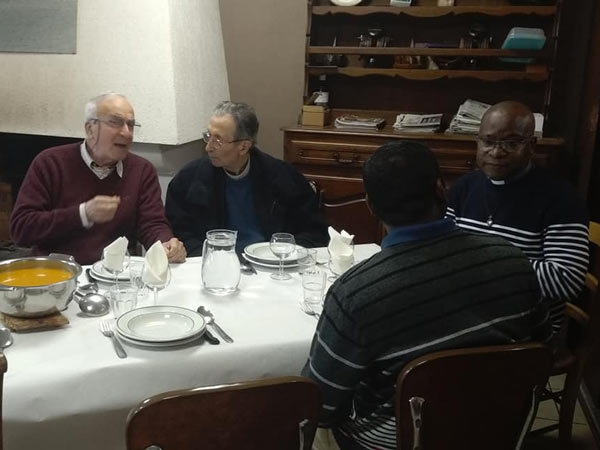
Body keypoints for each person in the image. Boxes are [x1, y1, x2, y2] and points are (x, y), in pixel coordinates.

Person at [302, 141, 551, 450]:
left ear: (370, 205)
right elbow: (543, 348)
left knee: (311, 428)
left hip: (397, 440)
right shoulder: (512, 260)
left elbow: (321, 404)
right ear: (441, 189)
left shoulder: (354, 293)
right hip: (498, 430)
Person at [447, 101, 589, 335]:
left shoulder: (561, 198)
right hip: (468, 314)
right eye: (488, 142)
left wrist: (478, 266)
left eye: (511, 143)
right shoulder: (464, 188)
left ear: (531, 146)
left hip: (526, 327)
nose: (496, 152)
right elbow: (444, 253)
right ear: (478, 142)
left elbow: (565, 281)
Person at [10, 93, 186, 265]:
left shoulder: (142, 170)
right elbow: (21, 229)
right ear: (90, 129)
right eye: (115, 122)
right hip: (58, 273)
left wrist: (165, 243)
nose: (126, 132)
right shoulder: (50, 163)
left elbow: (151, 223)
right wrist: (83, 214)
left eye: (131, 125)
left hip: (118, 273)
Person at [165, 101, 328, 255]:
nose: (208, 147)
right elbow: (179, 234)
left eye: (218, 140)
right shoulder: (188, 180)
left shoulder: (284, 177)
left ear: (243, 147)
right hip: (216, 262)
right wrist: (211, 258)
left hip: (270, 263)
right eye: (208, 136)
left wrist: (284, 255)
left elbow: (314, 231)